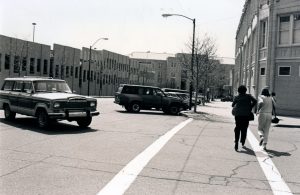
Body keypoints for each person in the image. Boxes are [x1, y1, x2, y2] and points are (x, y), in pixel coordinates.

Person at [232, 85, 257, 151]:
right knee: (244, 128)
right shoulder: (248, 96)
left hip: (238, 115)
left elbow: (232, 105)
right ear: (245, 90)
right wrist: (250, 107)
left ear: (238, 91)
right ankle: (242, 141)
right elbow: (255, 101)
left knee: (237, 127)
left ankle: (236, 143)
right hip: (246, 115)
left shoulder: (237, 97)